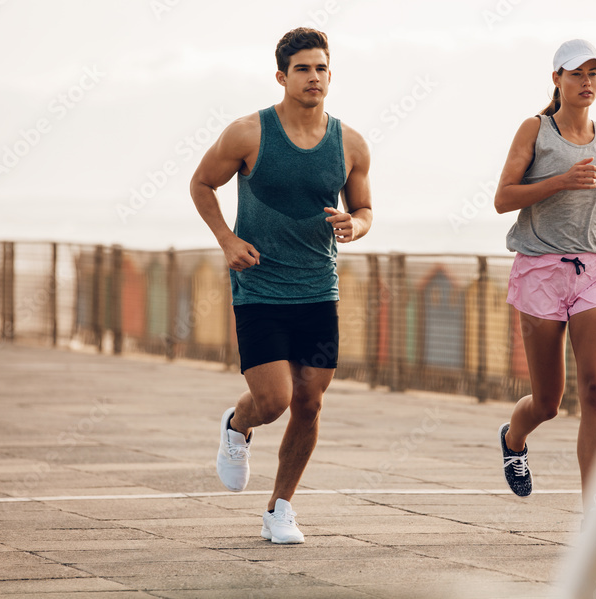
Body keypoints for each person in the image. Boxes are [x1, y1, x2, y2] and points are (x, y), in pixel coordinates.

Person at [189, 27, 372, 543]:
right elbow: (201, 184)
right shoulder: (248, 133)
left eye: (321, 68)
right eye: (302, 69)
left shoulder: (351, 143)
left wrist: (354, 227)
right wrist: (226, 240)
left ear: (331, 75)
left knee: (310, 401)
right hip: (260, 285)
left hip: (319, 287)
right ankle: (237, 424)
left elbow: (364, 208)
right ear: (281, 76)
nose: (313, 77)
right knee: (275, 400)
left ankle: (280, 508)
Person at [493, 39, 596, 513]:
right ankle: (515, 439)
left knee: (595, 388)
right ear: (557, 79)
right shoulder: (535, 130)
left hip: (594, 267)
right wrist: (559, 181)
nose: (587, 82)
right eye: (577, 74)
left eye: (594, 74)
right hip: (539, 269)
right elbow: (503, 198)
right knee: (549, 401)